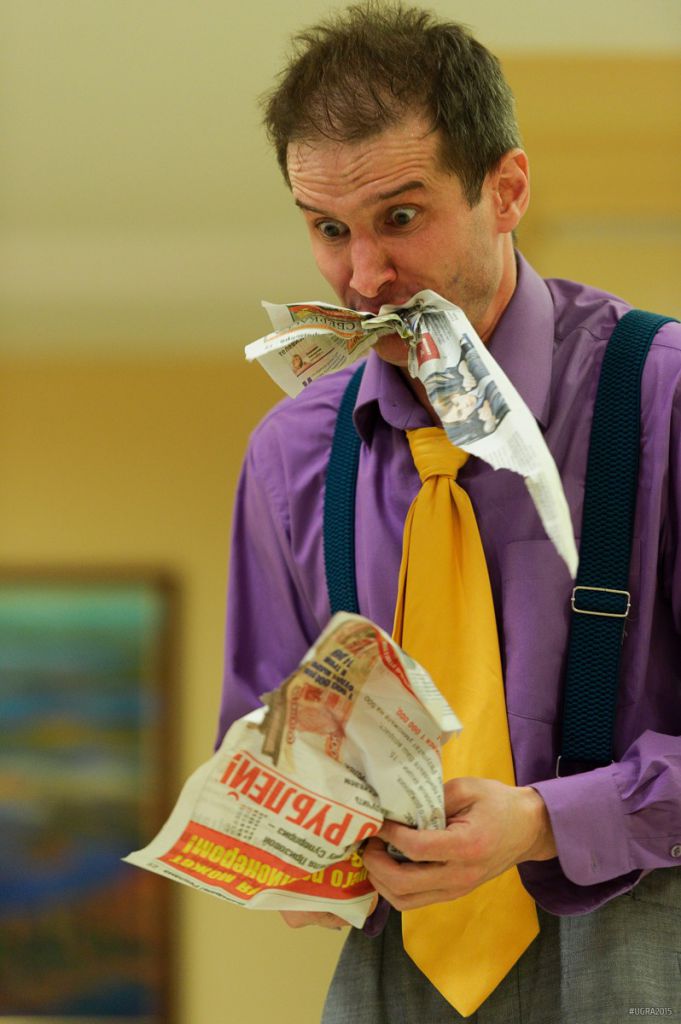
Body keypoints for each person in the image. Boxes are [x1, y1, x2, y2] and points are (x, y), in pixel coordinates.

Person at [216, 4, 681, 1021]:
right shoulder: (290, 455)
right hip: (393, 962)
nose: (363, 278)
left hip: (645, 940)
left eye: (399, 217)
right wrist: (288, 845)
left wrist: (546, 821)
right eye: (328, 228)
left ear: (505, 190)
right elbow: (256, 745)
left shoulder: (664, 397)